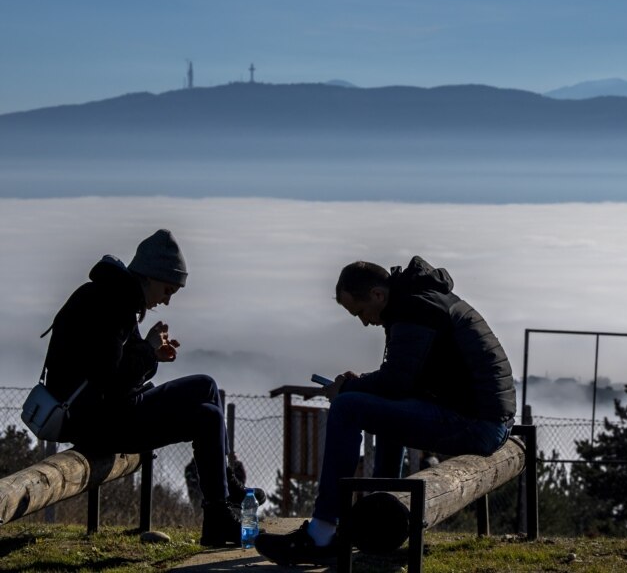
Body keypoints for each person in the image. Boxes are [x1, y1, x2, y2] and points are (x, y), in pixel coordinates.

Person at [255, 256, 517, 565]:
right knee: (373, 405)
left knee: (346, 408)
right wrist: (361, 383)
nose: (365, 321)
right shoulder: (421, 299)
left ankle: (322, 534)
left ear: (378, 294)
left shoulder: (415, 309)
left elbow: (396, 383)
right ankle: (378, 512)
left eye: (361, 312)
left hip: (479, 424)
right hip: (485, 418)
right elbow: (405, 382)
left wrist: (348, 389)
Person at [41, 229, 262, 546]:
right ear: (150, 277)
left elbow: (113, 371)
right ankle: (218, 513)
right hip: (96, 423)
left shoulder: (110, 295)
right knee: (208, 416)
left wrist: (150, 353)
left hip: (102, 411)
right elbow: (111, 381)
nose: (167, 300)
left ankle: (225, 495)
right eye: (168, 289)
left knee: (206, 389)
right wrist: (146, 350)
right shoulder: (112, 305)